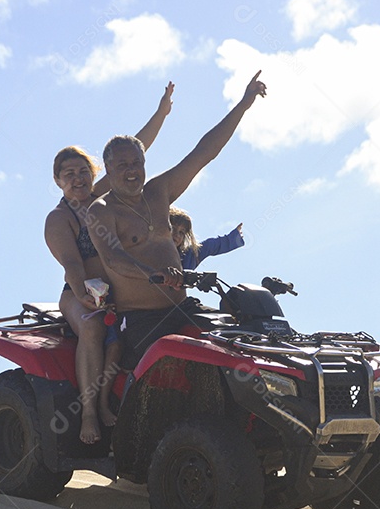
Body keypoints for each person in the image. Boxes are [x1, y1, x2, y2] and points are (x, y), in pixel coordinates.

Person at [88, 71, 267, 370]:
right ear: (108, 168)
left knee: (241, 343)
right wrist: (154, 273)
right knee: (172, 372)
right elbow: (113, 258)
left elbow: (204, 153)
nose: (131, 170)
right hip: (141, 318)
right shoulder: (101, 209)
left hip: (182, 307)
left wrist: (244, 104)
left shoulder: (158, 191)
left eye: (137, 163)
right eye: (122, 165)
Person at [45, 82, 174, 444]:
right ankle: (89, 412)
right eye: (68, 174)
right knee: (92, 329)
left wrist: (162, 112)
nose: (77, 179)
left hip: (116, 290)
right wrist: (84, 296)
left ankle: (119, 402)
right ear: (58, 181)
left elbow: (136, 148)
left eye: (83, 171)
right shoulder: (59, 218)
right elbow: (72, 266)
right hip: (79, 293)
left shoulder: (103, 198)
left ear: (94, 173)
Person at [169, 207, 244, 270]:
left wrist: (234, 238)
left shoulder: (189, 256)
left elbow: (209, 246)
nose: (176, 234)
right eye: (173, 228)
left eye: (181, 232)